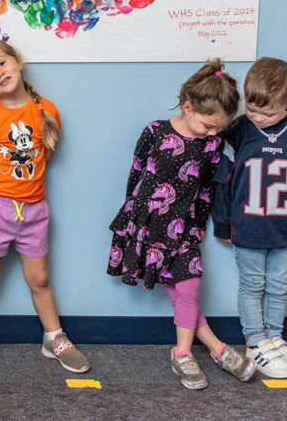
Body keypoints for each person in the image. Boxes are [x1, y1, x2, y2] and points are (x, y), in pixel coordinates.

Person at [107, 59, 255, 390]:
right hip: (146, 223)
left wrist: (199, 223)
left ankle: (183, 353)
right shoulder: (154, 132)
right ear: (187, 107)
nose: (214, 132)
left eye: (220, 127)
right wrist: (133, 219)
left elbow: (205, 189)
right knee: (181, 296)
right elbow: (136, 172)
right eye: (209, 125)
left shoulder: (213, 144)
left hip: (182, 227)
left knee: (188, 288)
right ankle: (217, 349)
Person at [0, 39, 89, 378]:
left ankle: (54, 337)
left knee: (40, 278)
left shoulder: (47, 110)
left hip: (33, 210)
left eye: (1, 63)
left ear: (19, 61)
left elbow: (44, 154)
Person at [213, 57, 287, 378]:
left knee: (279, 285)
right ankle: (255, 342)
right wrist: (222, 223)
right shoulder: (237, 131)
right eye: (251, 109)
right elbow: (221, 181)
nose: (259, 118)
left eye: (269, 113)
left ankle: (274, 337)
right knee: (252, 285)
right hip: (248, 226)